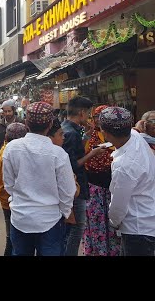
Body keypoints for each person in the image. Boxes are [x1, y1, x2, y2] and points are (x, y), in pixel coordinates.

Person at [3, 102, 76, 256]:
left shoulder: (11, 148)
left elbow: (8, 185)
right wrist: (64, 212)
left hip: (20, 218)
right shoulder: (58, 154)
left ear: (26, 123)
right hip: (50, 220)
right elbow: (68, 191)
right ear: (50, 124)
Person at [100, 107, 155, 256]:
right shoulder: (135, 137)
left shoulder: (124, 165)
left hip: (138, 229)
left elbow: (119, 205)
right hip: (147, 219)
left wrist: (114, 222)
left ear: (104, 133)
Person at [61, 96, 106, 256]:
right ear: (81, 113)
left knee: (72, 227)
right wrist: (92, 154)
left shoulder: (67, 129)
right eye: (88, 113)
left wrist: (86, 135)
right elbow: (72, 165)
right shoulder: (71, 133)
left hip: (72, 186)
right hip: (75, 187)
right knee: (77, 228)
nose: (88, 117)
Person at [81, 105, 120, 256]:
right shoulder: (88, 135)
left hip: (112, 184)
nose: (99, 120)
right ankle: (97, 250)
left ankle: (113, 250)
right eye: (96, 117)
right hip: (94, 186)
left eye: (102, 117)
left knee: (112, 219)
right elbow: (82, 156)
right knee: (96, 220)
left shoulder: (116, 135)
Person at [0, 122, 27, 256]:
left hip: (6, 198)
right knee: (14, 239)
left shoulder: (4, 149)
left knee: (12, 237)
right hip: (11, 200)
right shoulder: (11, 152)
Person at [0, 99, 23, 167]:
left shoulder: (21, 123)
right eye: (5, 111)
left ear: (13, 111)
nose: (7, 113)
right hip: (3, 157)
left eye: (9, 111)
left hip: (19, 158)